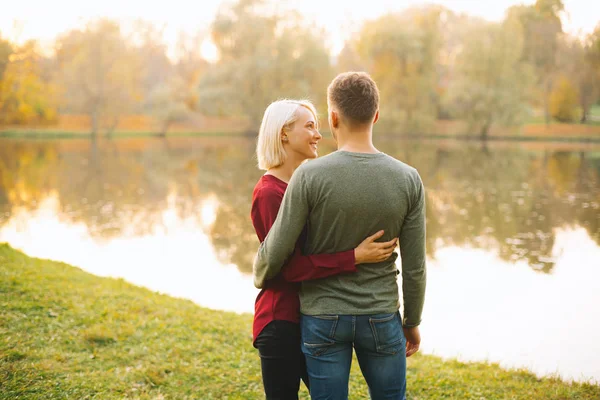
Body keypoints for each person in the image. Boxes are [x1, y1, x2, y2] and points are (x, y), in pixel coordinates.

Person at [253, 73, 426, 400]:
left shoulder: (308, 176)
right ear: (376, 115)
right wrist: (412, 321)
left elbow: (273, 254)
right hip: (381, 313)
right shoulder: (408, 179)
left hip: (322, 316)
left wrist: (260, 272)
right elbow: (415, 266)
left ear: (333, 117)